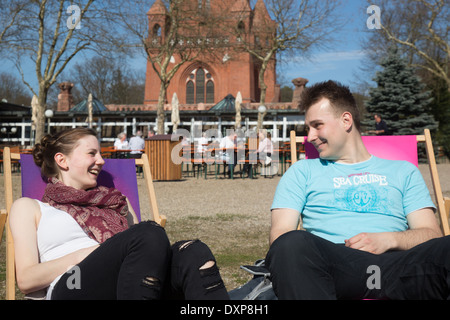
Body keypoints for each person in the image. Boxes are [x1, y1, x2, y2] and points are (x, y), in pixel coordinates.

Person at [265, 80, 450, 300]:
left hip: (399, 267)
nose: (310, 136)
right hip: (338, 269)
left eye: (317, 125)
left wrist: (389, 239)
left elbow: (431, 234)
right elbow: (280, 236)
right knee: (291, 244)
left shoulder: (403, 171)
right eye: (308, 128)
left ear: (346, 120)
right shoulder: (302, 172)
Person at [9, 127, 229, 300]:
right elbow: (27, 280)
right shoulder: (30, 207)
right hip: (71, 285)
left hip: (128, 284)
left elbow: (147, 254)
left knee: (193, 253)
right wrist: (87, 254)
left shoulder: (115, 202)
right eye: (91, 153)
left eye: (101, 154)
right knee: (148, 233)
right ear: (62, 160)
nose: (101, 161)